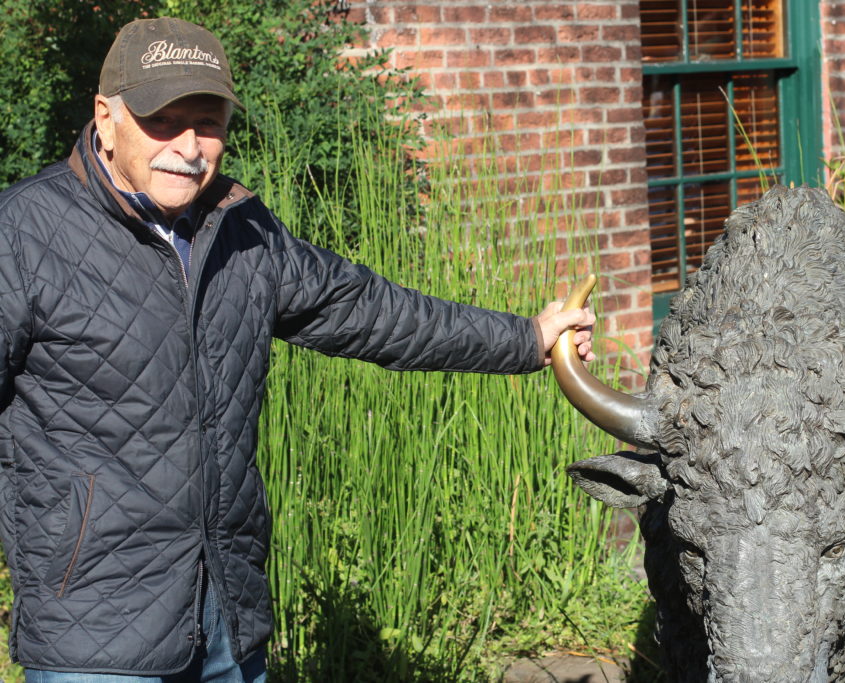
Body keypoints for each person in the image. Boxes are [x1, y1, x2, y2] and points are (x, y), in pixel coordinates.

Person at [0, 17, 595, 682]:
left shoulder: (242, 229)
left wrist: (527, 338)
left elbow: (371, 311)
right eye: (163, 121)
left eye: (209, 121)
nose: (190, 146)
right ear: (106, 119)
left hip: (226, 617)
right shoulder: (26, 233)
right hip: (95, 633)